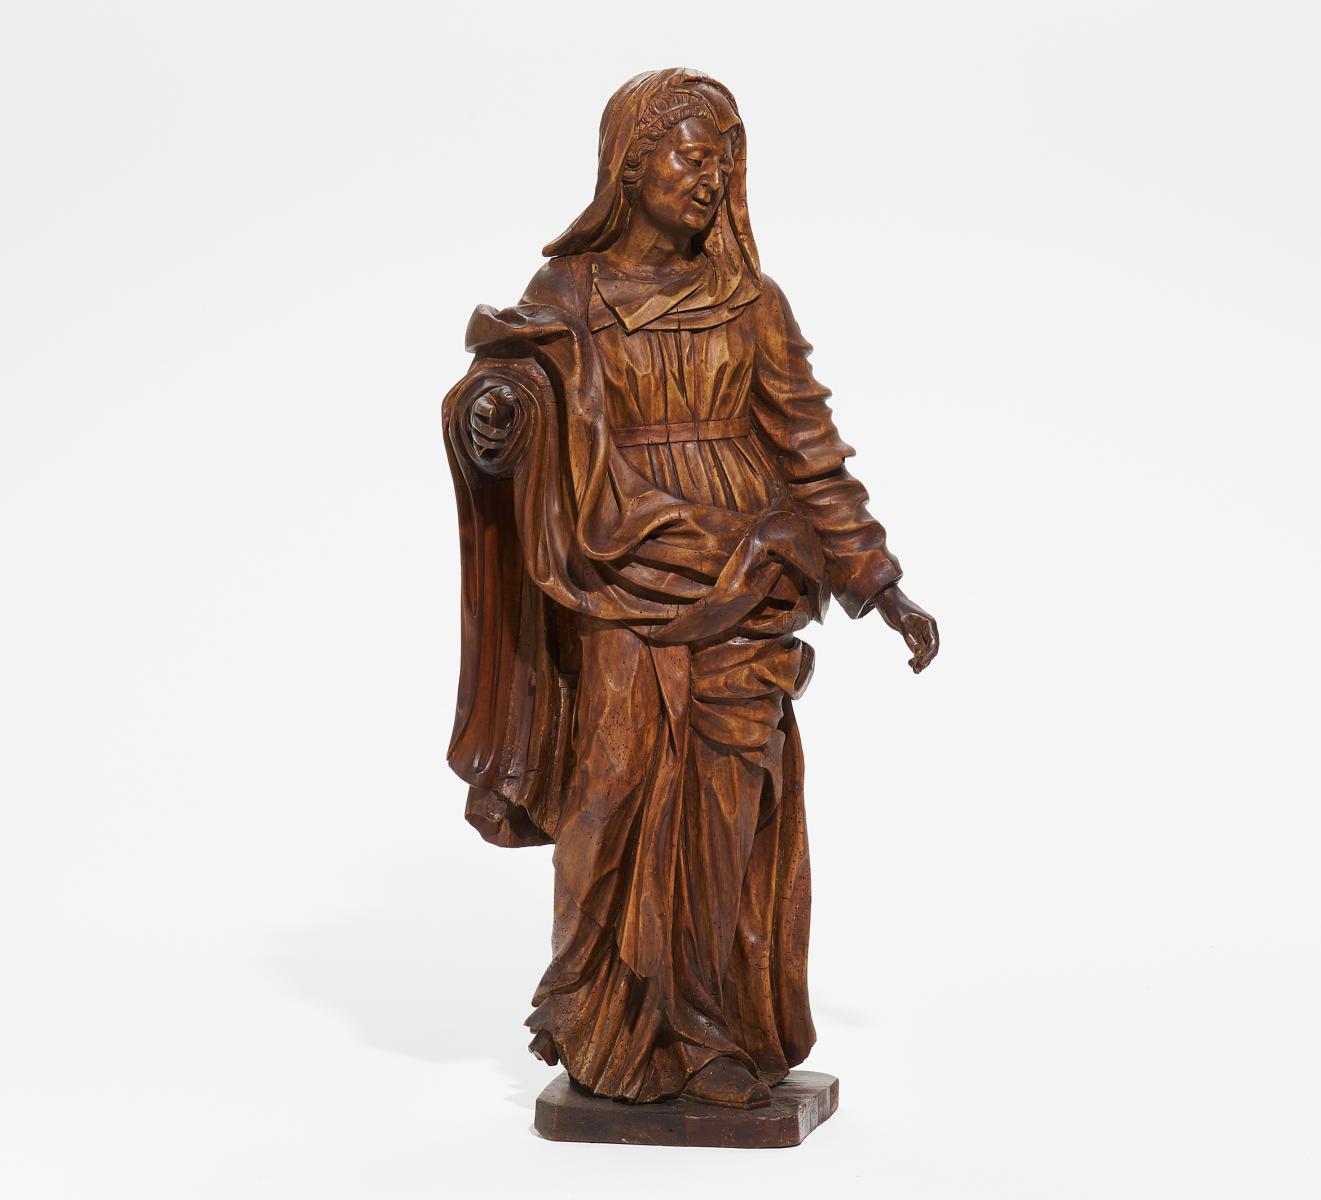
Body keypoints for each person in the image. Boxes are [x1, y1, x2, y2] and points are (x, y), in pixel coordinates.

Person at [442, 68, 938, 1109]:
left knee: (727, 805)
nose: (711, 178)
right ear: (629, 165)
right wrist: (496, 418)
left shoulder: (752, 303)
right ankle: (596, 1013)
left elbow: (808, 449)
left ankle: (712, 1032)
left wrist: (877, 581)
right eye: (690, 154)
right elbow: (514, 390)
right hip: (619, 560)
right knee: (610, 782)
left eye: (725, 161)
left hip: (749, 568)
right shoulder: (568, 296)